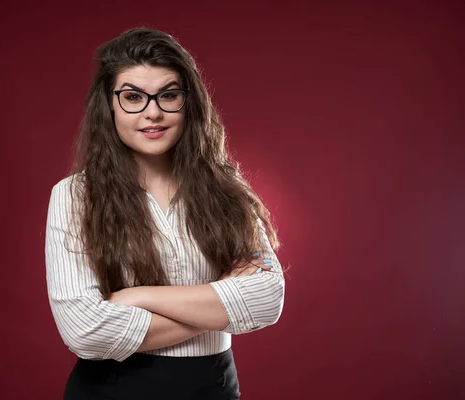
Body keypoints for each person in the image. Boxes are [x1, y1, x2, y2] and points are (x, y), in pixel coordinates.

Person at [44, 27, 285, 400]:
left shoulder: (227, 189)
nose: (153, 112)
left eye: (168, 95)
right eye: (133, 97)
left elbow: (267, 298)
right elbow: (85, 331)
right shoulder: (75, 196)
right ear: (109, 106)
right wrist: (221, 308)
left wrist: (138, 297)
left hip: (213, 389)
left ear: (189, 102)